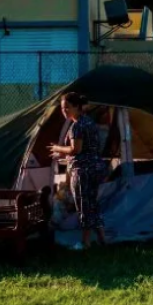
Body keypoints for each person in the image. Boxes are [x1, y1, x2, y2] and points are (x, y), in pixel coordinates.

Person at [48, 92, 107, 250]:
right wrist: (63, 154)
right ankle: (103, 240)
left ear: (77, 107)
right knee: (93, 204)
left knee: (84, 206)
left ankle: (85, 243)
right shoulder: (89, 122)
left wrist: (58, 148)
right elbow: (85, 149)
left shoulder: (77, 126)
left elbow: (76, 149)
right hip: (95, 168)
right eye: (62, 108)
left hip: (83, 171)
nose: (64, 111)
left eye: (67, 107)